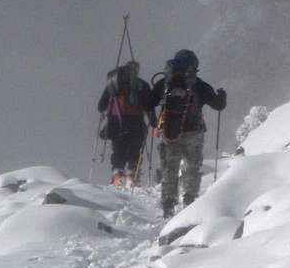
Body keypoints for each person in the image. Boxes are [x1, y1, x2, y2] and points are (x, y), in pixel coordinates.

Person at [148, 49, 227, 218]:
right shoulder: (198, 84)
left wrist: (154, 120)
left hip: (169, 132)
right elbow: (219, 105)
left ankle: (168, 205)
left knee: (170, 168)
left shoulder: (165, 83)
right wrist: (222, 96)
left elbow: (148, 102)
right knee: (192, 167)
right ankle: (190, 202)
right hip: (194, 132)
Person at [97, 60, 152, 186]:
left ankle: (118, 175)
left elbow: (101, 106)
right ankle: (133, 174)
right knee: (135, 149)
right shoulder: (142, 85)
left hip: (116, 122)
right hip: (136, 123)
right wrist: (153, 123)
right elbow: (149, 106)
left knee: (118, 149)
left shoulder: (113, 83)